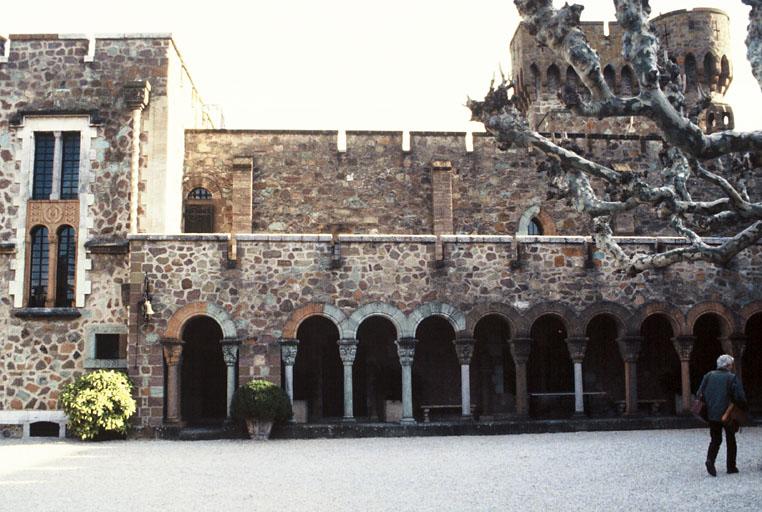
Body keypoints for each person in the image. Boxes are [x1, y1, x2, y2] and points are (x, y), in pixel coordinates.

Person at [697, 354, 747, 476]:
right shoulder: (731, 378)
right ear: (728, 365)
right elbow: (739, 396)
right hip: (728, 414)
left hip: (711, 413)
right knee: (731, 440)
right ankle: (731, 467)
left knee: (715, 439)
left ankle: (710, 460)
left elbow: (699, 393)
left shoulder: (708, 376)